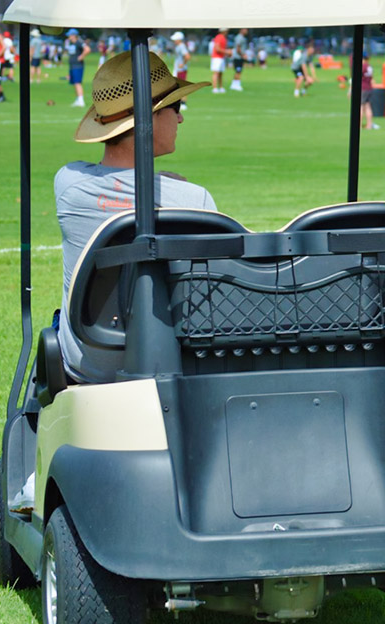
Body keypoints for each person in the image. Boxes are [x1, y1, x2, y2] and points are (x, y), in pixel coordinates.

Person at [56, 51, 213, 383]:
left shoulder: (68, 184)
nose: (181, 119)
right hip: (169, 365)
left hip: (88, 365)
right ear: (150, 117)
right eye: (177, 107)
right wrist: (165, 181)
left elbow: (112, 182)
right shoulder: (192, 199)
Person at [64, 28, 90, 107]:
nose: (68, 36)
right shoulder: (72, 44)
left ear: (73, 35)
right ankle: (78, 99)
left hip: (78, 66)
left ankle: (81, 101)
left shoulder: (79, 42)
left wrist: (81, 57)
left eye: (70, 35)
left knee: (77, 83)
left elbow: (87, 49)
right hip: (72, 66)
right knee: (74, 83)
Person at [211, 28, 229, 93]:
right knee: (216, 73)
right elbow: (217, 48)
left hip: (221, 57)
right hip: (217, 58)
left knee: (221, 73)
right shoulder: (219, 37)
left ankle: (221, 87)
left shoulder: (224, 38)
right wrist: (227, 52)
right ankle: (214, 88)